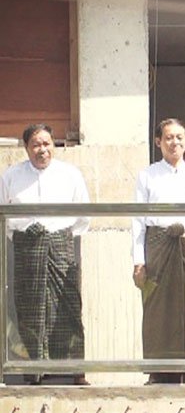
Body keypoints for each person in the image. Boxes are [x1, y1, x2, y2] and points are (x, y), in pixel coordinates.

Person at [0, 123, 90, 385]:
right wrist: (30, 233)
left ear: (54, 144)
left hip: (61, 245)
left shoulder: (70, 174)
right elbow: (4, 216)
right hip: (27, 248)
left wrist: (56, 235)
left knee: (68, 307)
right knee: (29, 310)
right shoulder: (11, 176)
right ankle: (34, 372)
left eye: (47, 143)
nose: (42, 149)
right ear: (26, 148)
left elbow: (83, 215)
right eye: (36, 145)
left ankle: (72, 372)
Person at [132, 118, 185, 384]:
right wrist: (138, 261)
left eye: (179, 137)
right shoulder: (147, 175)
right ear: (158, 142)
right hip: (157, 243)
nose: (174, 143)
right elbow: (138, 221)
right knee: (155, 307)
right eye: (168, 137)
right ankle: (158, 371)